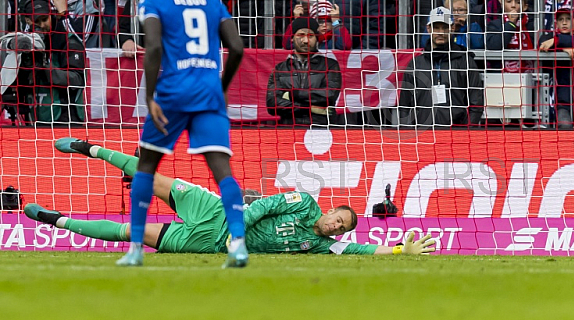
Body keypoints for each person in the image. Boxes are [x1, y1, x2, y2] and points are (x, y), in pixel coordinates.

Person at [25, 139, 436, 256]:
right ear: (330, 210)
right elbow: (263, 204)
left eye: (340, 228)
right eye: (337, 220)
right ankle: (90, 149)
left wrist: (399, 251)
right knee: (154, 178)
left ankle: (55, 219)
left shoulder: (319, 246)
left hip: (203, 242)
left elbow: (361, 252)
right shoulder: (305, 202)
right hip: (217, 212)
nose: (335, 226)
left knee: (130, 233)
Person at [118, 0, 247, 268]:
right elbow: (237, 47)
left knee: (146, 166)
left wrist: (149, 95)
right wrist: (222, 86)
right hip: (208, 93)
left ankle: (135, 248)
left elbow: (154, 48)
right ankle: (239, 244)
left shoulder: (152, 1)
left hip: (173, 92)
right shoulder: (213, 2)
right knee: (222, 171)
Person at [398, 7, 484, 127]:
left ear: (452, 28)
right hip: (423, 135)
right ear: (428, 29)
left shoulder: (465, 61)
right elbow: (404, 104)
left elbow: (476, 102)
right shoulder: (416, 63)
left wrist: (466, 133)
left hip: (456, 134)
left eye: (444, 28)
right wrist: (408, 135)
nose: (440, 32)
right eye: (436, 27)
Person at [266, 17, 342, 126]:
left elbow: (329, 96)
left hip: (321, 130)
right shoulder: (280, 69)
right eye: (300, 35)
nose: (305, 41)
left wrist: (293, 94)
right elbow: (272, 105)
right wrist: (309, 109)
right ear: (292, 38)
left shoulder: (330, 65)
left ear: (316, 38)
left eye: (310, 36)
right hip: (288, 130)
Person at [539, 9, 574, 129]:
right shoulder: (549, 36)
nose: (564, 23)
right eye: (561, 20)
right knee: (565, 130)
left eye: (568, 19)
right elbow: (541, 44)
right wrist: (563, 49)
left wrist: (556, 42)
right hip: (562, 101)